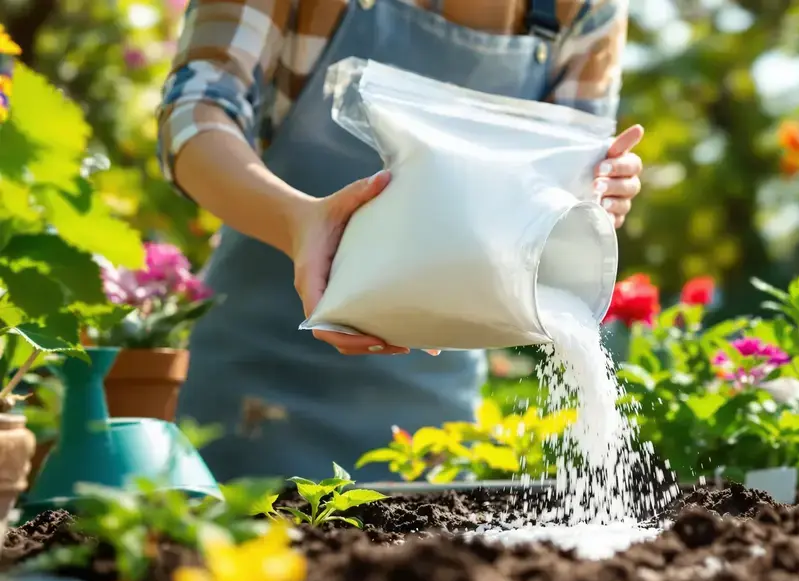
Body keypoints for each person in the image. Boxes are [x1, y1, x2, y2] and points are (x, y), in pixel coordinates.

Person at [157, 0, 644, 482]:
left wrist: (599, 186)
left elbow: (564, 185)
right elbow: (195, 110)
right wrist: (297, 222)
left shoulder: (581, 6)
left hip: (431, 416)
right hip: (253, 387)